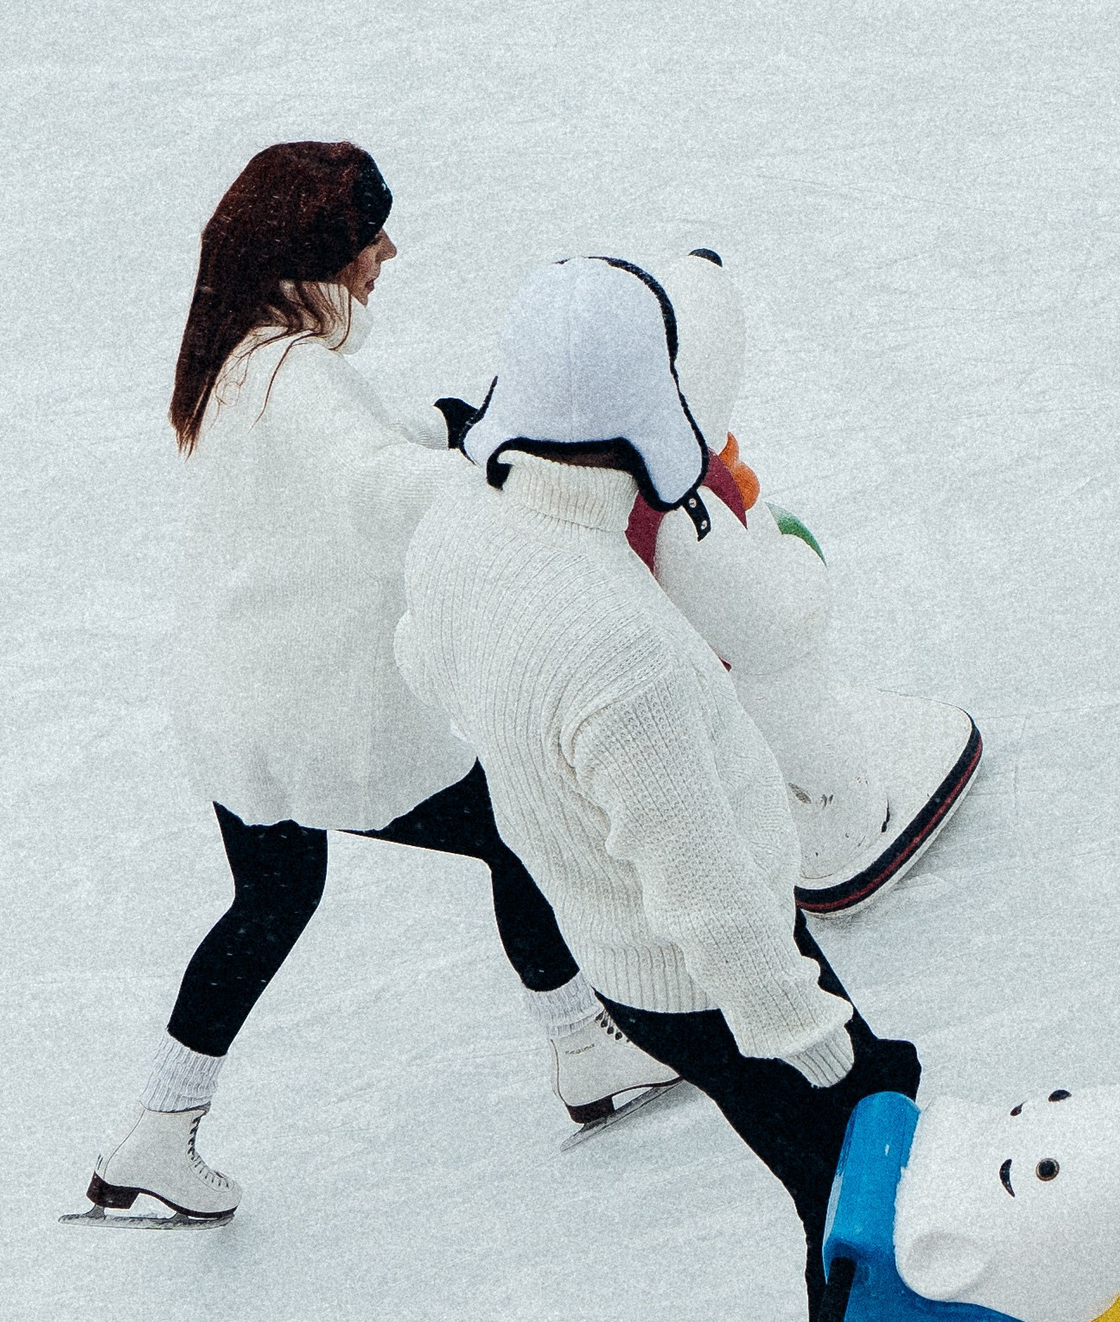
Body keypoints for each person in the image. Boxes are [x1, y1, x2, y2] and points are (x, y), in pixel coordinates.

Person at [393, 253, 948, 1322]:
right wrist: (827, 1051)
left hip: (618, 937)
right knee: (859, 1199)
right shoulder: (619, 648)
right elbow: (713, 902)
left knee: (856, 1168)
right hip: (703, 972)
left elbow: (424, 662)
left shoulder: (467, 523)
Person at [85, 142, 677, 1225]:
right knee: (515, 826)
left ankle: (155, 1135)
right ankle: (584, 1050)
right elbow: (372, 484)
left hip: (235, 703)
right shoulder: (296, 376)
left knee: (271, 898)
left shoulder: (239, 357)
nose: (388, 253)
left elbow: (345, 452)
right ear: (317, 253)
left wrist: (448, 424)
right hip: (315, 712)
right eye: (371, 237)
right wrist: (500, 464)